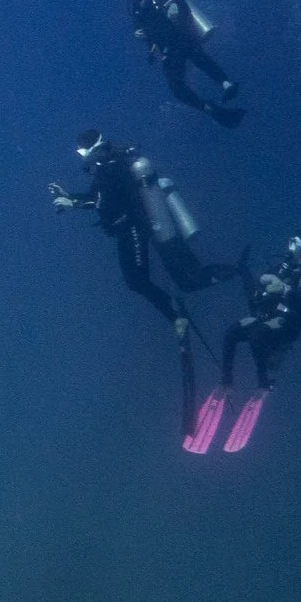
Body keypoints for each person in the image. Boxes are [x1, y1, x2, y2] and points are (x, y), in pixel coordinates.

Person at [49, 130, 238, 446]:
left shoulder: (113, 165)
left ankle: (176, 311)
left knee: (148, 279)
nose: (82, 160)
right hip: (127, 231)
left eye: (81, 153)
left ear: (88, 149)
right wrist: (72, 197)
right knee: (136, 281)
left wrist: (71, 200)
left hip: (135, 228)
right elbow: (100, 198)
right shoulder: (109, 165)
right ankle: (175, 310)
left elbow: (102, 200)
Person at [201, 231, 301, 455]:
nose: (291, 248)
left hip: (288, 324)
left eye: (296, 244)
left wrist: (284, 289)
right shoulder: (282, 267)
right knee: (232, 333)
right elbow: (256, 296)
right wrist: (246, 273)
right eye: (290, 242)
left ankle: (264, 385)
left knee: (257, 337)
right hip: (266, 317)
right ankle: (226, 383)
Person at [124, 0, 245, 127]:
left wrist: (176, 12)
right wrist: (147, 44)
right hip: (169, 44)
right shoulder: (135, 0)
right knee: (189, 71)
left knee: (188, 70)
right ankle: (219, 93)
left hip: (178, 37)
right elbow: (142, 25)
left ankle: (218, 94)